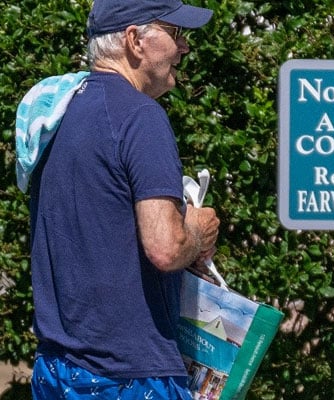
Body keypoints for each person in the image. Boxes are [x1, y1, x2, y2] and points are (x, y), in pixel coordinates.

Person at [19, 0, 220, 398]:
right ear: (135, 40)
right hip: (128, 376)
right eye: (175, 34)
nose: (184, 48)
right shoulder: (140, 116)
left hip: (57, 371)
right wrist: (195, 230)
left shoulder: (57, 114)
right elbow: (165, 247)